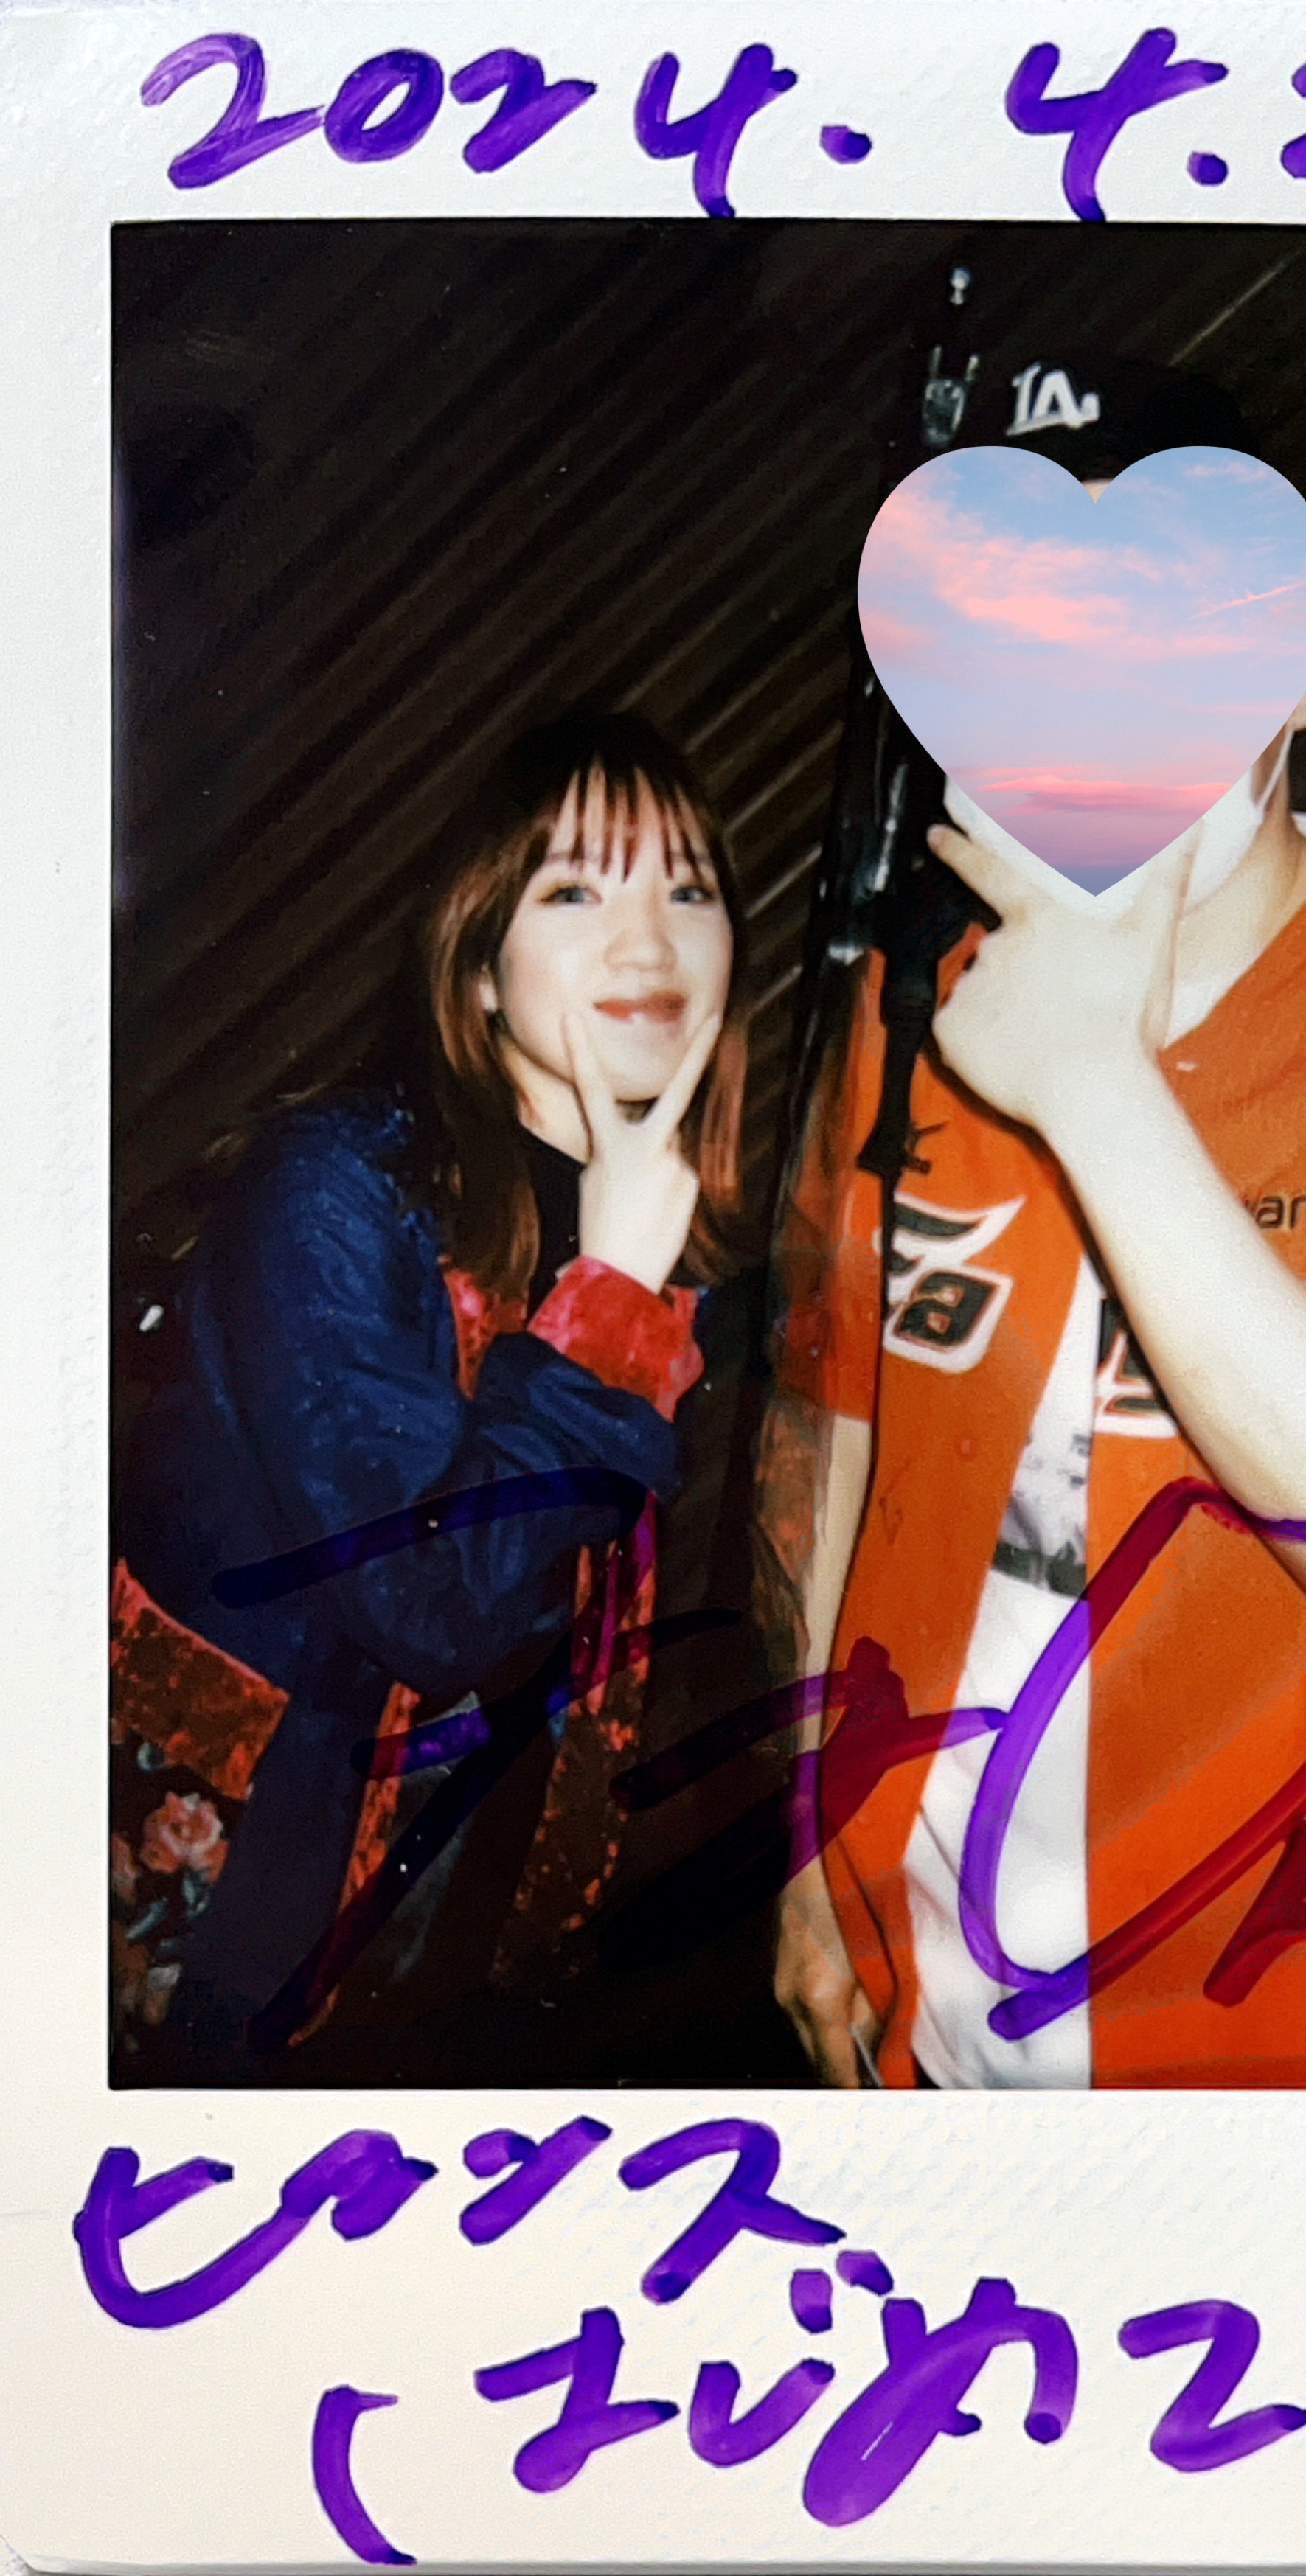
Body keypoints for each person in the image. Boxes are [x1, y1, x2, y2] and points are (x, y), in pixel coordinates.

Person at [763, 651, 1306, 2091]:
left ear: (1302, 671)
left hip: (1294, 2027)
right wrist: (811, 1849)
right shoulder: (919, 1000)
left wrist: (1096, 1083)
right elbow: (840, 1443)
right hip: (933, 1984)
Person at [111, 709, 747, 2077]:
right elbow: (429, 1604)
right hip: (241, 1933)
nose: (651, 941)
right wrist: (610, 1305)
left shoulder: (665, 1230)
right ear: (478, 969)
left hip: (468, 1945)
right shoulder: (333, 1189)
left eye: (689, 888)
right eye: (577, 891)